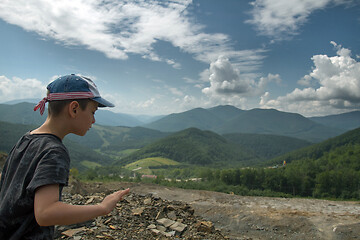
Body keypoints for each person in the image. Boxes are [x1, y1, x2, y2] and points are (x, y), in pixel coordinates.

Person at [0, 74, 130, 239]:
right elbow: (46, 213)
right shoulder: (54, 151)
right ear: (74, 109)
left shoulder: (26, 139)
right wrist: (102, 208)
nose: (94, 120)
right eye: (92, 111)